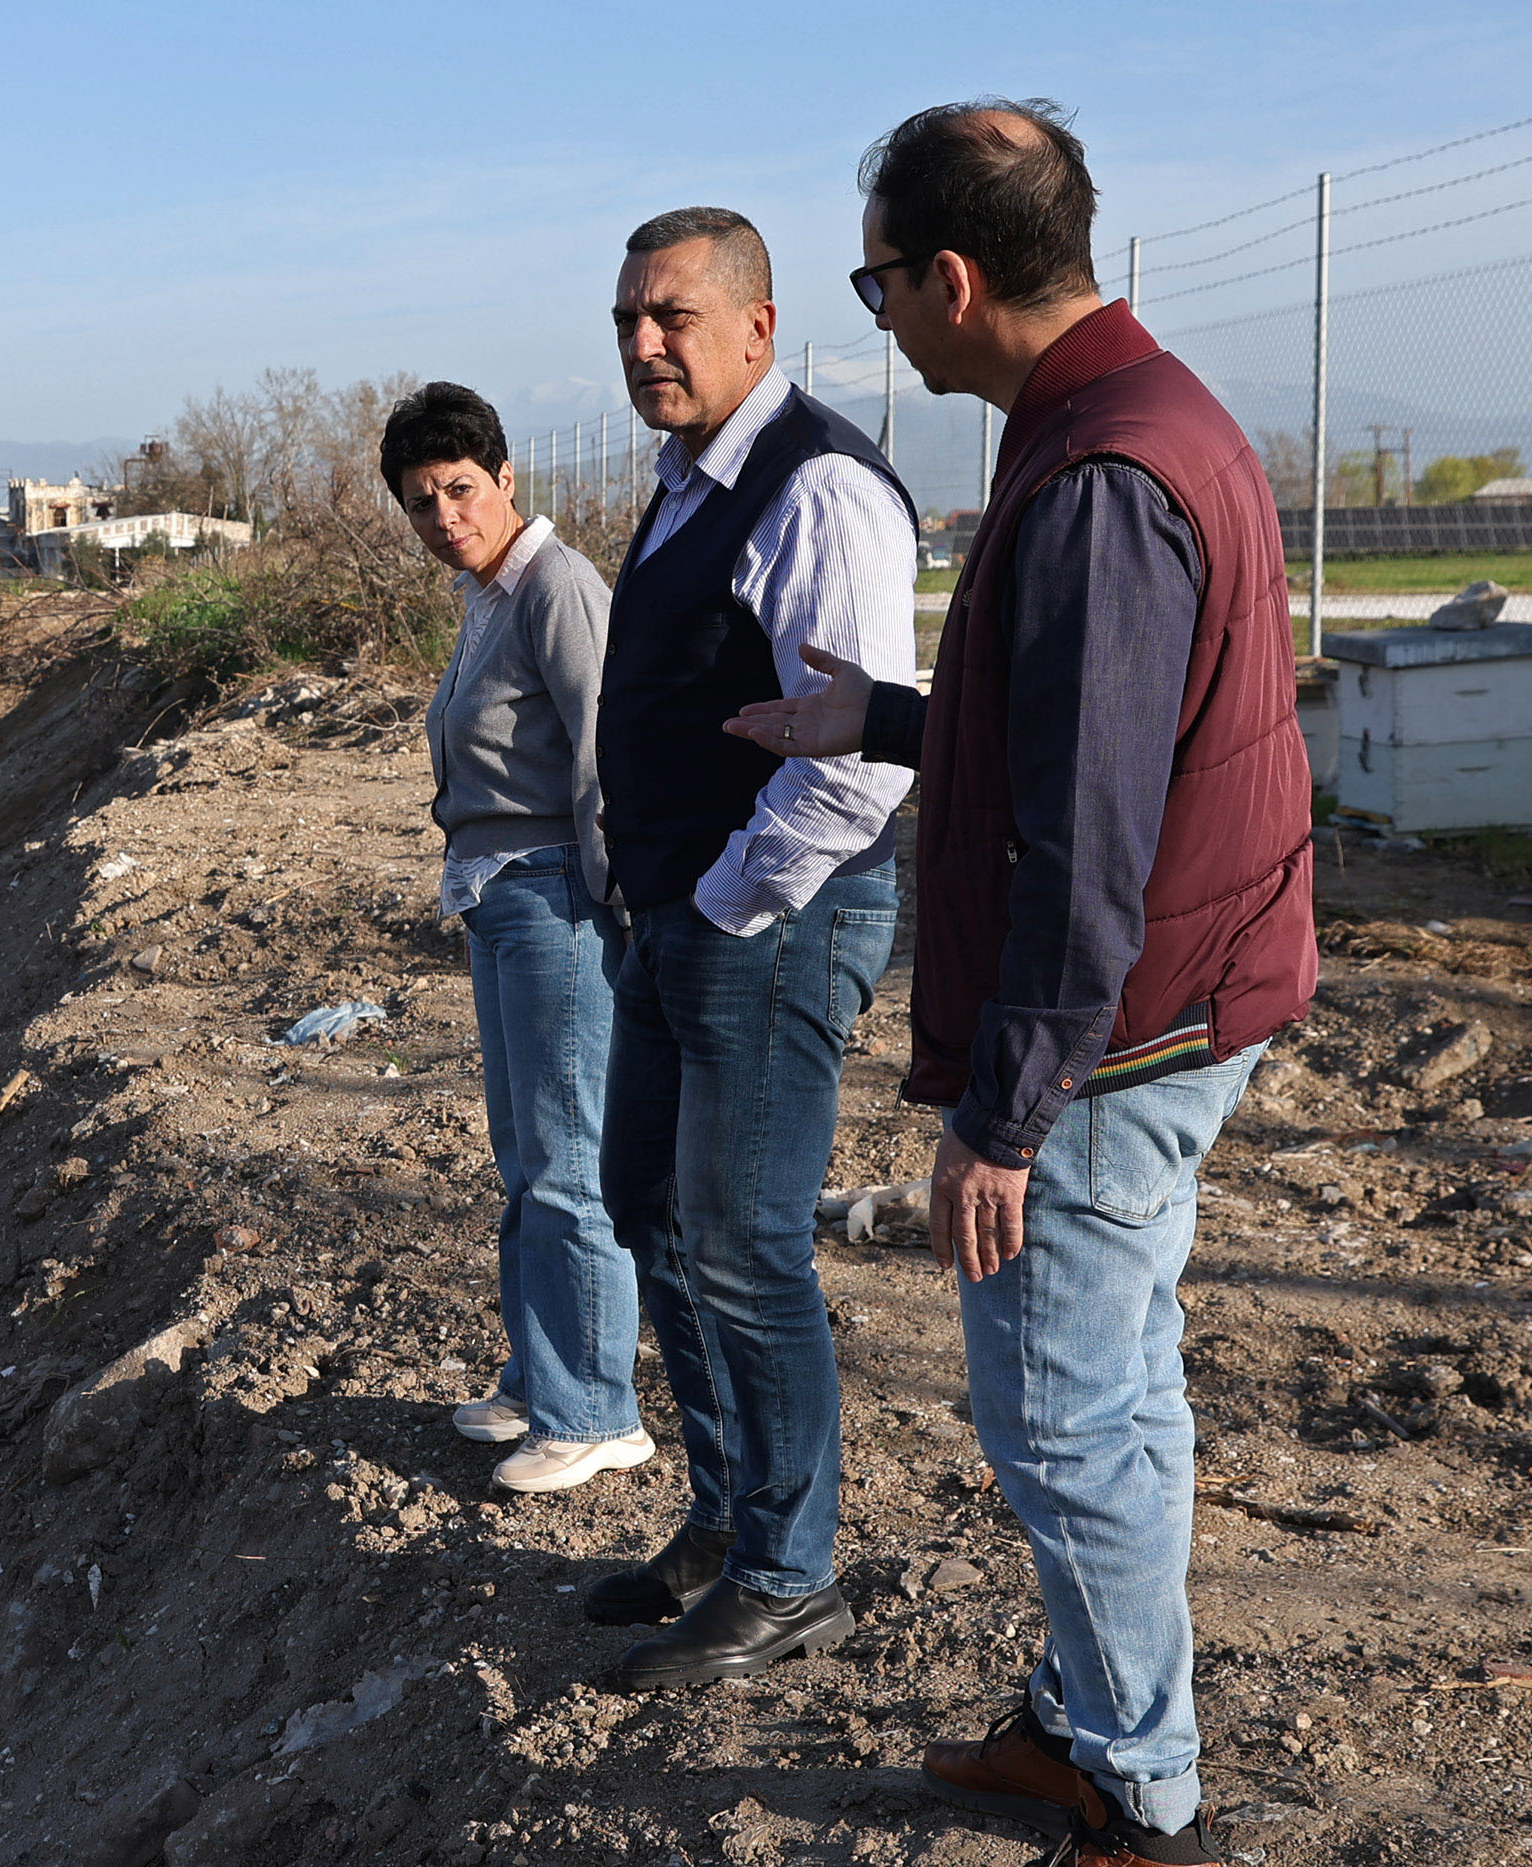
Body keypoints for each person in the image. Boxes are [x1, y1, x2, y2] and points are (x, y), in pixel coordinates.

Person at [726, 100, 1315, 1867]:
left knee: (1063, 1427)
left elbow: (1089, 844)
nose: (883, 315)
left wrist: (1002, 1113)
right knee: (1119, 1395)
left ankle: (1144, 1800)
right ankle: (1093, 1718)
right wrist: (890, 719)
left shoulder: (1101, 477)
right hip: (1174, 1002)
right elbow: (1083, 739)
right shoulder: (1130, 420)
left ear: (955, 278)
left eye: (881, 281)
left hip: (1115, 1037)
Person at [573, 209, 916, 1688]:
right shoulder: (681, 483)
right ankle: (725, 1520)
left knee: (745, 1241)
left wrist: (724, 900)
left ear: (761, 326)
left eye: (675, 316)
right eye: (629, 319)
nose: (647, 342)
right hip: (676, 914)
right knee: (645, 1202)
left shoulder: (816, 484)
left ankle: (790, 1570)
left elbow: (857, 754)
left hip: (771, 918)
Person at [387, 382, 651, 1495]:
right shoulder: (483, 593)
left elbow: (604, 759)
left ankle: (596, 1410)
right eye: (421, 501)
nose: (446, 514)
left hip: (556, 896)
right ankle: (542, 1375)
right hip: (496, 892)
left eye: (459, 488)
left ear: (504, 479)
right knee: (523, 1156)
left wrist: (613, 911)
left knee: (566, 1159)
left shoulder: (555, 585)